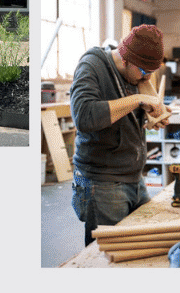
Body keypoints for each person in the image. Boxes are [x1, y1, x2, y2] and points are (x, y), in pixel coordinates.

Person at [69, 24, 169, 246]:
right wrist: (137, 100)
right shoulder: (92, 65)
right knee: (107, 254)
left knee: (142, 243)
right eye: (143, 72)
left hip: (133, 178)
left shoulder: (134, 75)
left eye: (151, 73)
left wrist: (151, 117)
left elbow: (122, 117)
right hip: (102, 183)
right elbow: (84, 117)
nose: (146, 78)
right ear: (125, 59)